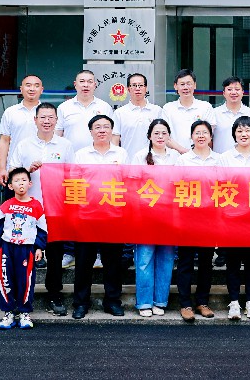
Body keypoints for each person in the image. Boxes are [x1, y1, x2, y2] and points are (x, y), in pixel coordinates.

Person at [11, 102, 73, 315]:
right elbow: (13, 174)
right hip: (28, 208)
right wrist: (27, 171)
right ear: (35, 120)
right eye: (43, 117)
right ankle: (21, 296)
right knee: (25, 254)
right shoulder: (24, 145)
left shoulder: (65, 145)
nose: (47, 121)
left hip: (56, 208)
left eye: (50, 117)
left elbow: (73, 176)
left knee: (55, 256)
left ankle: (54, 295)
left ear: (56, 120)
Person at [70, 114, 129, 319]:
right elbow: (74, 183)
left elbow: (127, 182)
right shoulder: (81, 155)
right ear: (91, 132)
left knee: (112, 262)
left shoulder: (121, 154)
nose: (102, 130)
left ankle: (112, 301)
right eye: (97, 127)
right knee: (83, 262)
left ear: (112, 131)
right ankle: (80, 303)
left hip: (113, 216)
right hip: (87, 216)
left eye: (106, 127)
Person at [133, 119, 180, 318]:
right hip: (146, 215)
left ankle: (160, 301)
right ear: (149, 136)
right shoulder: (140, 156)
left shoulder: (176, 157)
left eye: (164, 133)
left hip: (169, 214)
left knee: (166, 259)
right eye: (156, 133)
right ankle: (144, 302)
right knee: (144, 259)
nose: (160, 137)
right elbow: (134, 185)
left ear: (169, 136)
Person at [219, 115, 250, 320]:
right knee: (233, 261)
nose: (243, 134)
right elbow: (220, 186)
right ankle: (234, 301)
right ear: (234, 134)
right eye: (239, 131)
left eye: (247, 130)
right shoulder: (225, 158)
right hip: (232, 216)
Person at [175, 120, 221, 321]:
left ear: (210, 136)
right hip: (188, 217)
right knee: (185, 262)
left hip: (210, 217)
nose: (201, 136)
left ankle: (202, 302)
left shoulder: (219, 160)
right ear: (191, 136)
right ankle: (185, 304)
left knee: (205, 262)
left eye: (205, 132)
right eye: (197, 132)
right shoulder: (183, 160)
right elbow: (176, 186)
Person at [0, 167, 47, 330]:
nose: (20, 183)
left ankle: (24, 312)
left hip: (26, 248)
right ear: (10, 186)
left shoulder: (36, 206)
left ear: (30, 183)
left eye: (24, 180)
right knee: (6, 280)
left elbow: (42, 228)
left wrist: (39, 248)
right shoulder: (5, 206)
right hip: (7, 248)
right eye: (16, 181)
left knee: (26, 281)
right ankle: (8, 313)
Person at [0, 74, 44, 186]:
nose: (32, 89)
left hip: (42, 169)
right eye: (28, 85)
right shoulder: (10, 112)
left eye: (36, 86)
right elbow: (4, 141)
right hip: (15, 169)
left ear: (41, 90)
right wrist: (2, 169)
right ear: (21, 89)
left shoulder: (47, 112)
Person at [111, 73, 163, 162]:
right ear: (128, 89)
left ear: (146, 88)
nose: (137, 88)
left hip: (153, 162)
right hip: (128, 162)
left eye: (141, 85)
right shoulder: (119, 113)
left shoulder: (157, 111)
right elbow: (114, 141)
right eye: (134, 85)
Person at [56, 70, 112, 152]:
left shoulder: (105, 107)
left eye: (90, 82)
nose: (86, 85)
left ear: (95, 85)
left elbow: (111, 136)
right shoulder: (63, 107)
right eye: (82, 81)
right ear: (75, 84)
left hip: (98, 157)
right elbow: (57, 135)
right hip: (71, 156)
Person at [161, 69, 214, 154]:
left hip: (199, 156)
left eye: (189, 84)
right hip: (174, 156)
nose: (186, 87)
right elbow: (164, 135)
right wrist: (183, 151)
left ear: (195, 85)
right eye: (182, 84)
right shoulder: (168, 108)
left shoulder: (206, 107)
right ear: (175, 86)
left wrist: (194, 154)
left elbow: (209, 135)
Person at [211, 76, 250, 155]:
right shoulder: (214, 113)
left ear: (242, 92)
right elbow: (209, 139)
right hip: (220, 160)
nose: (233, 92)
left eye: (237, 89)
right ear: (224, 93)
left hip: (244, 160)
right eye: (229, 89)